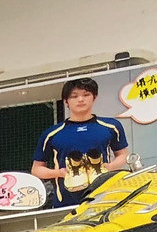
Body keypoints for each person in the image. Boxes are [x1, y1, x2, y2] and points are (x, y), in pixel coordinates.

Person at [31, 78, 130, 207]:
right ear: (66, 101)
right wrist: (59, 173)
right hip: (66, 204)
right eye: (74, 96)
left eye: (86, 94)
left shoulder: (111, 126)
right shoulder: (52, 134)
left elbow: (122, 155)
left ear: (94, 97)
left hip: (104, 200)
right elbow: (36, 169)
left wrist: (109, 167)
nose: (81, 99)